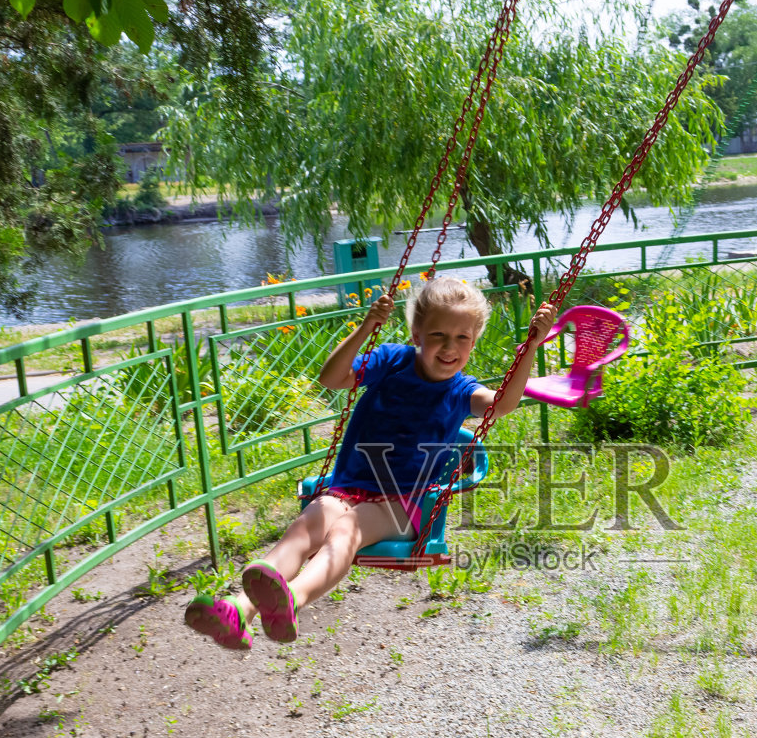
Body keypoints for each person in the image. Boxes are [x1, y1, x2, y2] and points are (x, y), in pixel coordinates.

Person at [184, 277, 557, 647]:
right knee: (305, 526)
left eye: (462, 337)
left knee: (346, 531)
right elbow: (332, 379)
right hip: (347, 488)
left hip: (402, 505)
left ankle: (291, 600)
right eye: (439, 335)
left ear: (473, 343)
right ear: (416, 334)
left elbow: (503, 405)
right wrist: (367, 327)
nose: (449, 347)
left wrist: (530, 348)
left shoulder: (460, 391)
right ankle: (238, 610)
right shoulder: (392, 360)